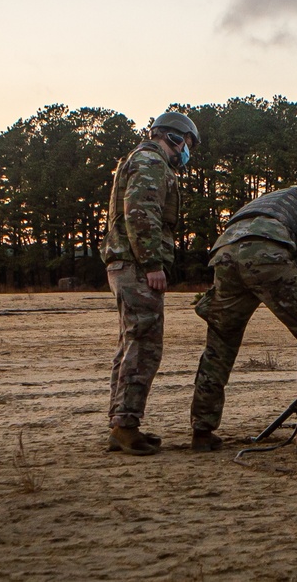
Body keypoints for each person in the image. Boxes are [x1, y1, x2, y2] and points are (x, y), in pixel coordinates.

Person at [189, 184, 297, 453]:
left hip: (225, 251)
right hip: (266, 250)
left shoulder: (275, 198)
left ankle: (202, 431)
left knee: (220, 343)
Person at [101, 111, 199, 455]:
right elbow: (141, 213)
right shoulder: (151, 161)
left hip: (126, 262)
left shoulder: (140, 160)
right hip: (137, 265)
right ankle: (126, 425)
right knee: (144, 345)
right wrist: (153, 264)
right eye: (187, 144)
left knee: (131, 343)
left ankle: (121, 424)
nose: (187, 152)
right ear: (173, 137)